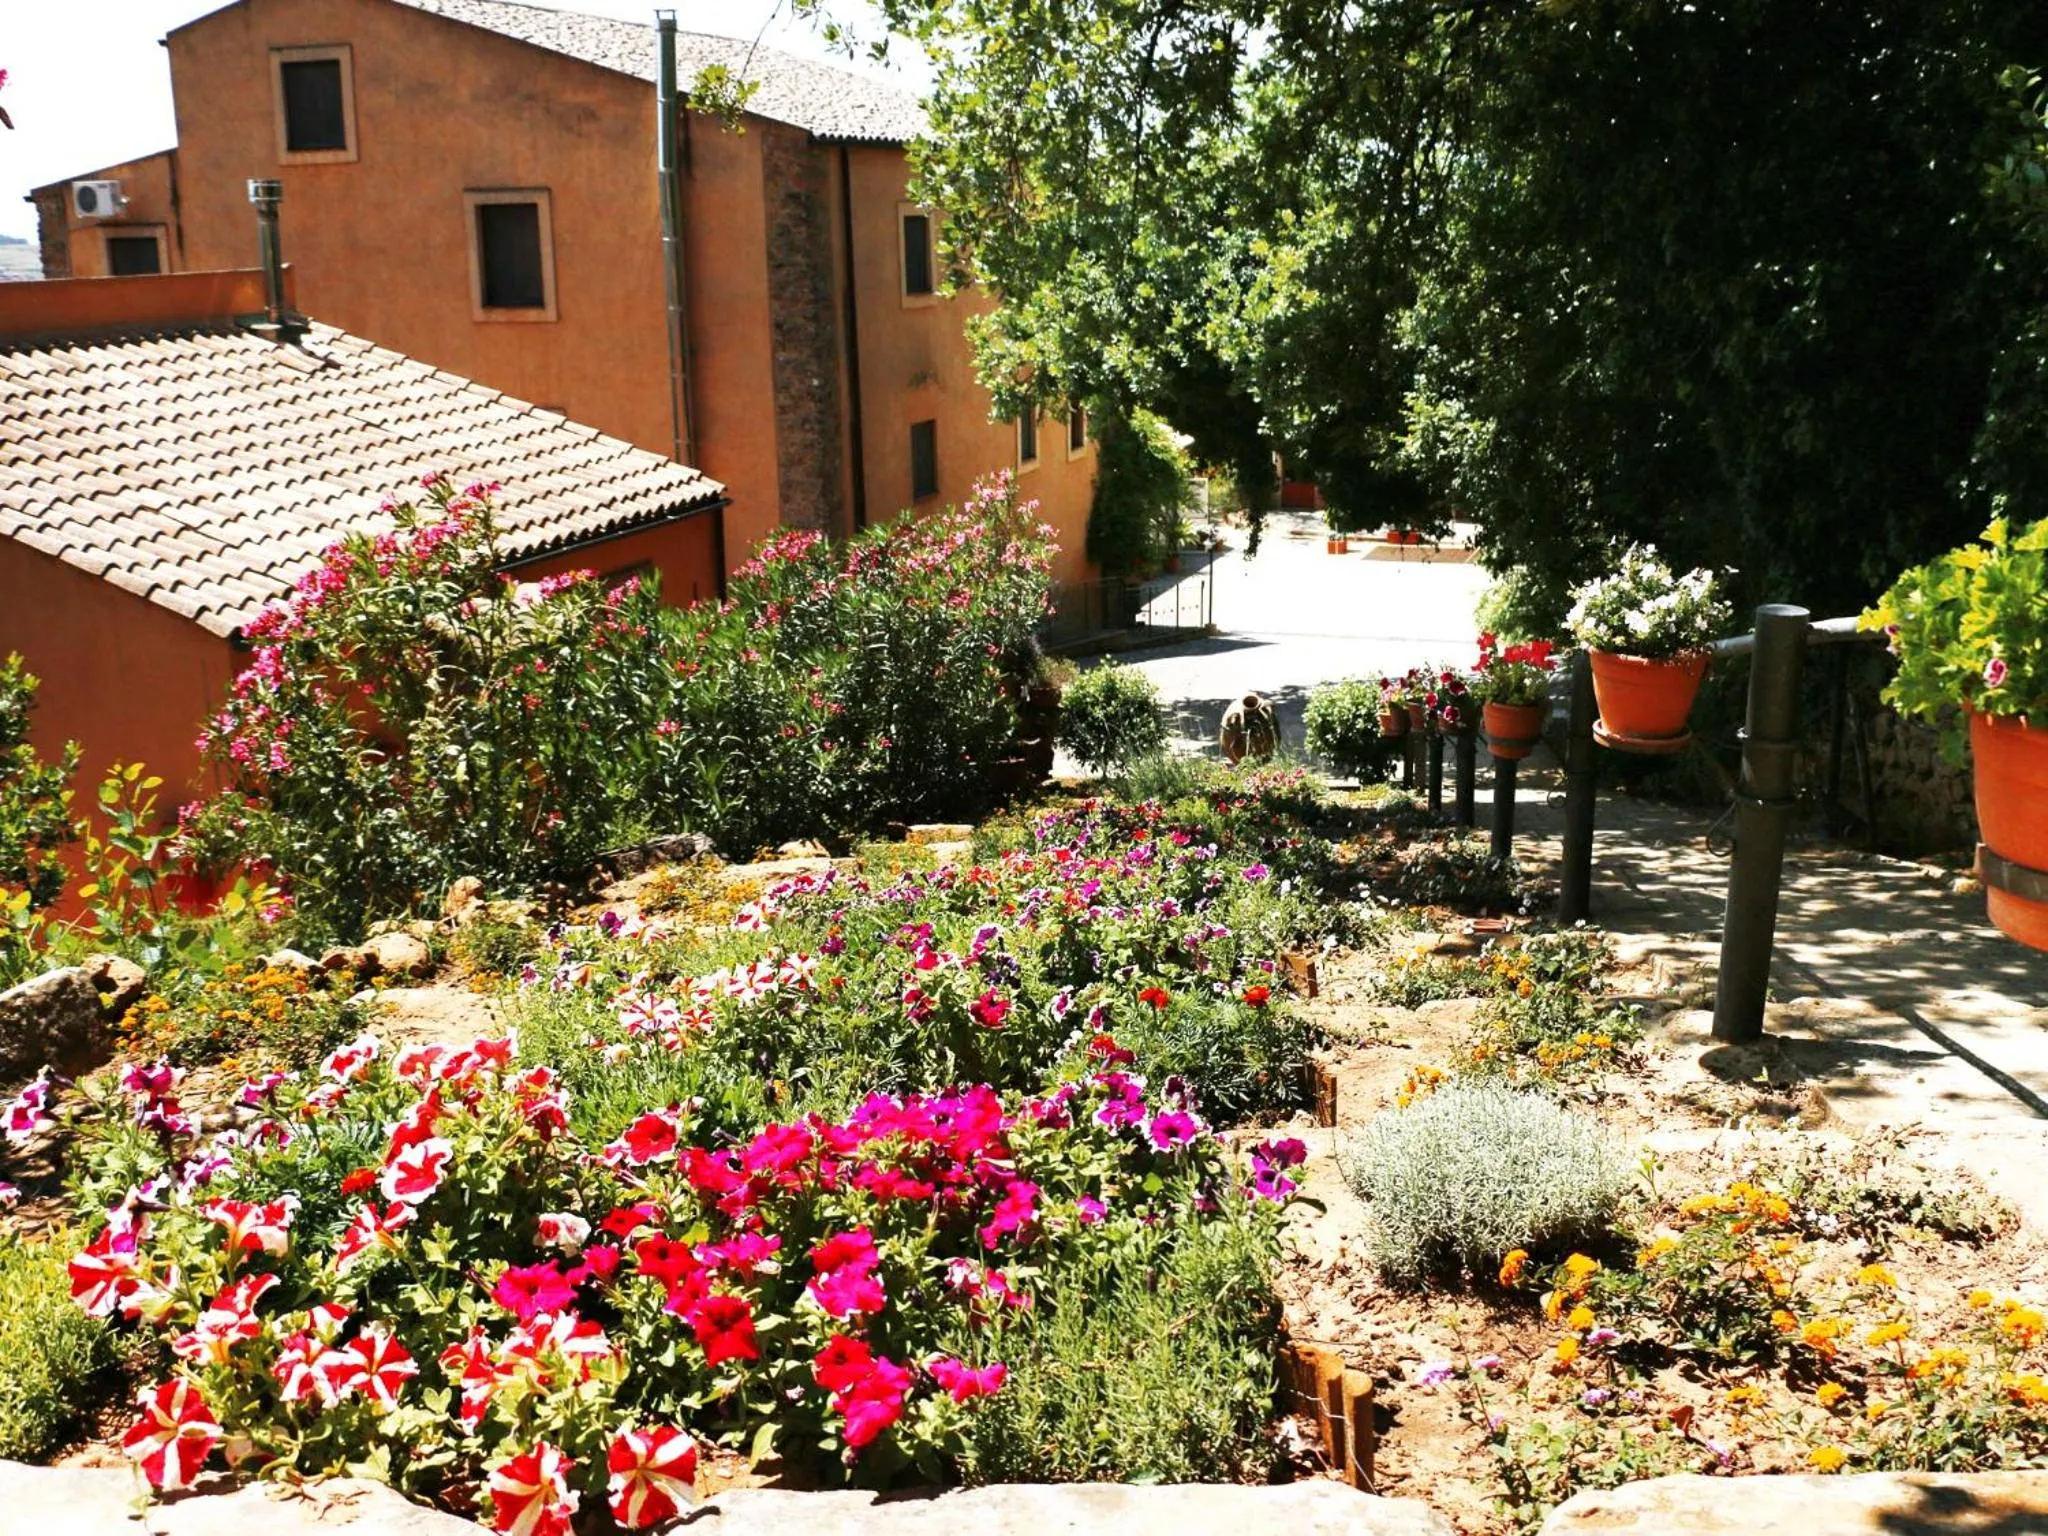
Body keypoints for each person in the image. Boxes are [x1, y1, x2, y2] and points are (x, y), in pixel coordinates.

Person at [1219, 692, 1278, 764]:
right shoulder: (1234, 713)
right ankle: (1244, 763)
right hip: (1237, 747)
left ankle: (1254, 762)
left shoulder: (1263, 709)